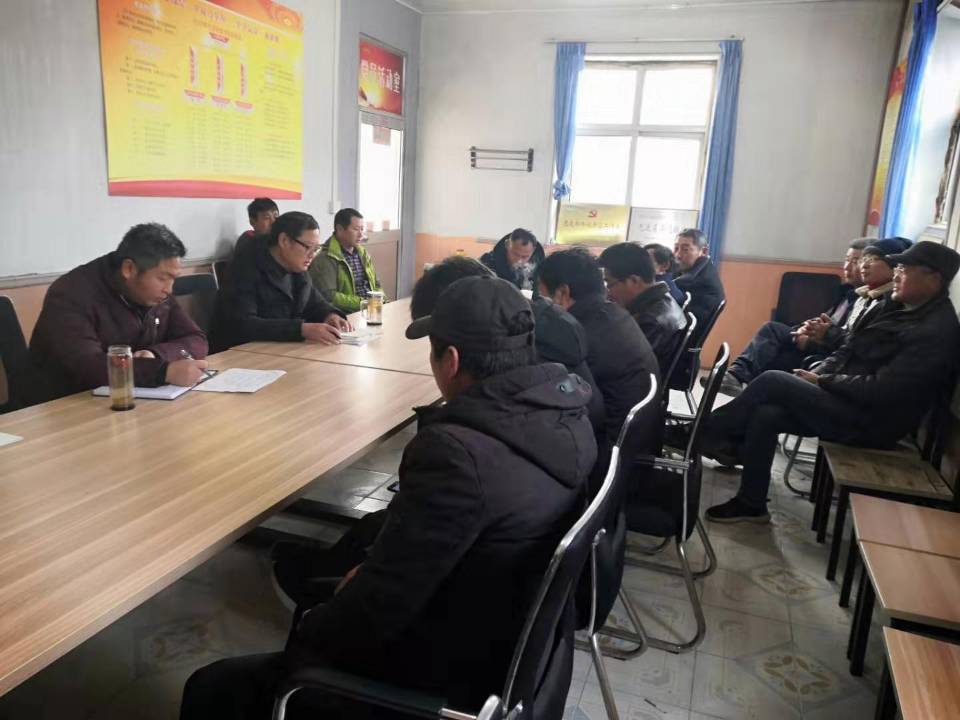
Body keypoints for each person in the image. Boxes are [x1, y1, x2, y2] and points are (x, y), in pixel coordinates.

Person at [180, 275, 597, 720]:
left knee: (212, 687)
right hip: (503, 650)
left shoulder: (458, 456)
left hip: (441, 682)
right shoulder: (567, 412)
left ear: (451, 361)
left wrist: (316, 621)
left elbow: (373, 613)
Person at [700, 241, 960, 524]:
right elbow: (851, 350)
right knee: (767, 415)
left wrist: (824, 381)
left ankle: (697, 434)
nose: (896, 274)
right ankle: (752, 503)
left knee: (773, 380)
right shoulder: (906, 310)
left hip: (872, 422)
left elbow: (883, 389)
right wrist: (822, 373)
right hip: (853, 404)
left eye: (904, 269)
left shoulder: (933, 331)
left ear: (933, 278)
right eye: (896, 267)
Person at [29, 223, 209, 403]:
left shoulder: (156, 294)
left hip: (130, 399)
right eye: (162, 278)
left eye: (173, 279)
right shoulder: (71, 293)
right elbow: (88, 366)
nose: (169, 290)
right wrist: (162, 372)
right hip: (64, 405)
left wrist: (156, 354)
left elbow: (196, 338)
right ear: (129, 269)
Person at [537, 248, 659, 451]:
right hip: (634, 441)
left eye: (542, 297)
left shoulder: (573, 335)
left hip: (606, 449)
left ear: (562, 293)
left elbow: (561, 395)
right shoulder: (614, 313)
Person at [716, 238, 870, 397]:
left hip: (826, 353)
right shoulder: (845, 293)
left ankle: (736, 377)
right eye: (847, 260)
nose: (847, 266)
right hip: (817, 341)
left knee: (772, 346)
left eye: (855, 261)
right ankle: (735, 375)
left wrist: (808, 342)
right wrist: (802, 329)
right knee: (772, 333)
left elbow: (845, 344)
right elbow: (824, 320)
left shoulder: (866, 302)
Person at [210, 211, 350, 352]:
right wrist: (301, 330)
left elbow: (314, 303)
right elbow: (243, 324)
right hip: (239, 352)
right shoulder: (246, 267)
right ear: (284, 241)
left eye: (316, 249)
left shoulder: (298, 268)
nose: (312, 255)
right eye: (308, 247)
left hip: (281, 349)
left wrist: (330, 315)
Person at [598, 242, 687, 376]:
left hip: (636, 385)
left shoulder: (650, 320)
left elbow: (620, 366)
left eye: (610, 284)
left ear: (634, 281)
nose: (608, 293)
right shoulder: (663, 300)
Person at [309, 208, 383, 313]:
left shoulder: (363, 253)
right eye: (356, 229)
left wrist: (381, 300)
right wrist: (365, 303)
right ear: (340, 229)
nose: (361, 234)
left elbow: (376, 284)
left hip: (370, 309)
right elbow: (330, 296)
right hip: (347, 314)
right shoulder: (325, 258)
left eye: (362, 229)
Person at [673, 229, 725, 342]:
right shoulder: (688, 271)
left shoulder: (700, 281)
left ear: (704, 251)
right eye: (676, 248)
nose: (678, 255)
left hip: (676, 347)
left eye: (685, 249)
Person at [480, 228, 546, 291]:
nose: (519, 260)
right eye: (516, 254)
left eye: (525, 257)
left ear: (533, 250)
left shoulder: (539, 268)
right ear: (507, 244)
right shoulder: (487, 264)